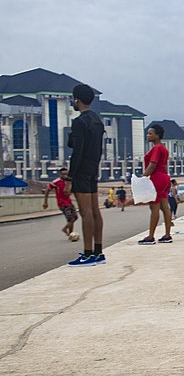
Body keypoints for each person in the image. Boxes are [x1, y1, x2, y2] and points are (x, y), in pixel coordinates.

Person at [64, 84, 106, 266]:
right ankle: (98, 251)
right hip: (92, 168)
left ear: (77, 100)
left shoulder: (79, 122)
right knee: (95, 210)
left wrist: (70, 178)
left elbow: (77, 152)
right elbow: (97, 149)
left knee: (85, 212)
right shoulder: (97, 121)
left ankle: (88, 254)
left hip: (81, 170)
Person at [138, 124, 173, 245]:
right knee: (165, 207)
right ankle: (167, 234)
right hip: (164, 177)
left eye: (150, 133)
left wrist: (143, 178)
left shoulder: (156, 148)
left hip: (156, 177)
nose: (148, 135)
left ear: (157, 136)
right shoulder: (164, 148)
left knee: (154, 207)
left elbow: (152, 164)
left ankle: (151, 236)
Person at [43, 167, 78, 239]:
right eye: (63, 174)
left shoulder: (69, 181)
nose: (65, 176)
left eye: (66, 174)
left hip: (69, 202)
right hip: (62, 203)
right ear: (60, 174)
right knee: (70, 219)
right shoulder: (56, 182)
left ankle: (66, 229)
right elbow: (47, 190)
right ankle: (71, 234)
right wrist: (45, 202)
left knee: (75, 217)